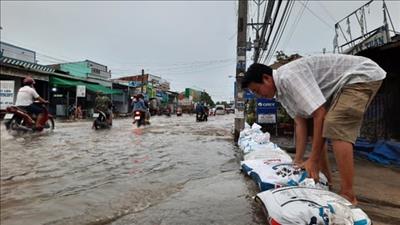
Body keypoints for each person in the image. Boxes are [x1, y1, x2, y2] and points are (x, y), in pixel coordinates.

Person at [241, 54, 386, 205]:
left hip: (361, 75)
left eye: (257, 90)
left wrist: (313, 159)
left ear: (266, 78)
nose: (259, 96)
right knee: (314, 129)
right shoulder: (282, 94)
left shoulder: (289, 77)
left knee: (335, 123)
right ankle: (328, 184)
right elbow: (301, 123)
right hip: (342, 86)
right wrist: (298, 160)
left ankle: (348, 194)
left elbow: (319, 114)